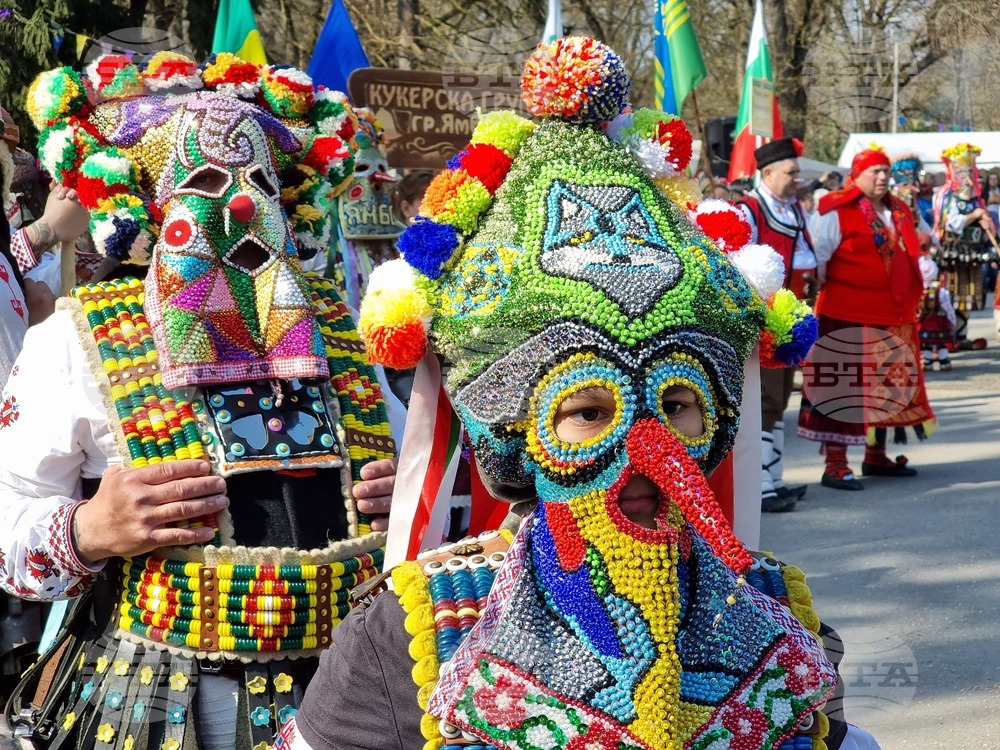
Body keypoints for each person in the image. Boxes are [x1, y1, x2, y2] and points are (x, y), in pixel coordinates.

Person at [277, 38, 878, 750]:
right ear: (514, 434)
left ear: (715, 421)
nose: (646, 448)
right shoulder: (416, 633)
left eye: (675, 405)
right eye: (590, 412)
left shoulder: (779, 618)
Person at [0, 53, 408, 750]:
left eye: (260, 183)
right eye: (209, 182)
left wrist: (407, 499)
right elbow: (8, 527)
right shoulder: (76, 337)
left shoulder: (342, 327)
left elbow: (424, 498)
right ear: (157, 202)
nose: (240, 206)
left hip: (348, 697)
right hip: (164, 701)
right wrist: (90, 528)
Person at [798, 147, 935, 491]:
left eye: (886, 171)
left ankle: (876, 456)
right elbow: (820, 259)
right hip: (846, 313)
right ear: (856, 175)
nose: (883, 177)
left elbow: (916, 245)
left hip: (894, 313)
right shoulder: (835, 209)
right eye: (875, 171)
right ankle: (835, 465)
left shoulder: (899, 209)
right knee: (842, 388)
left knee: (888, 386)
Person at [735, 137, 817, 513]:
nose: (797, 178)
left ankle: (776, 478)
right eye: (791, 171)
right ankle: (761, 486)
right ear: (767, 173)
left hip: (790, 317)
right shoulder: (750, 209)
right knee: (766, 399)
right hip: (764, 319)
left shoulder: (793, 210)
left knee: (781, 398)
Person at [932, 143, 994, 314]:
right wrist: (973, 215)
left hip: (973, 250)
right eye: (962, 173)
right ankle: (952, 322)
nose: (967, 178)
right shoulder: (948, 196)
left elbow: (985, 220)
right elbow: (950, 223)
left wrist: (986, 224)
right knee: (954, 285)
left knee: (971, 287)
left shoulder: (976, 198)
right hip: (955, 250)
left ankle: (965, 323)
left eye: (970, 172)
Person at [917, 255, 956, 371]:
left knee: (927, 343)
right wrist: (952, 320)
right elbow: (948, 308)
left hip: (924, 322)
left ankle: (927, 362)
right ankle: (944, 362)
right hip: (939, 322)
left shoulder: (918, 290)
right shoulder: (941, 290)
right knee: (941, 343)